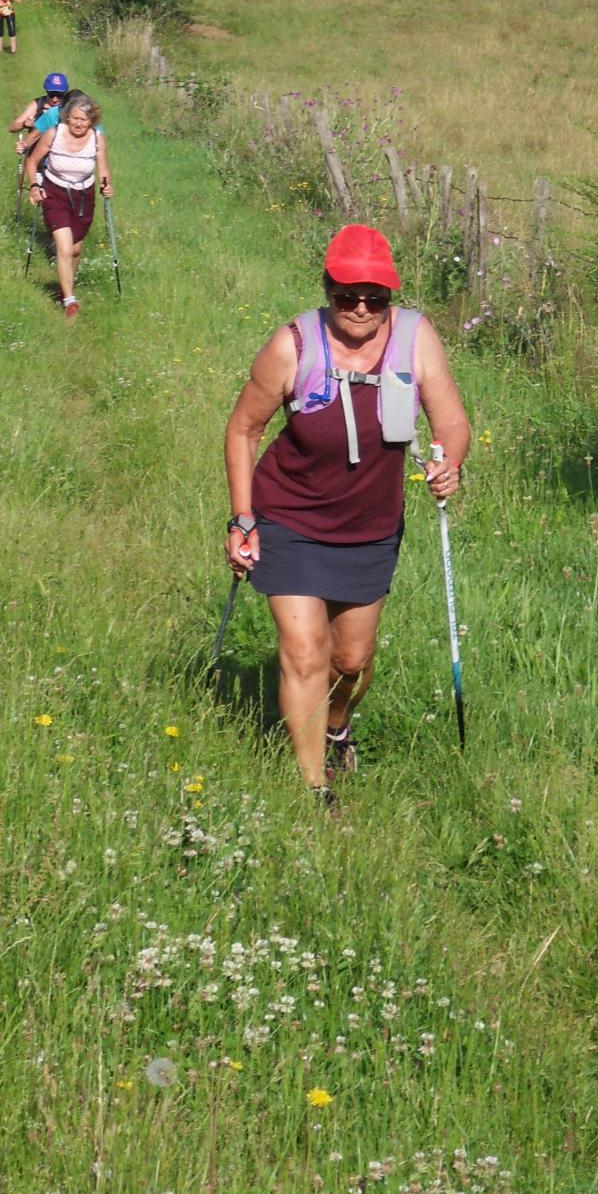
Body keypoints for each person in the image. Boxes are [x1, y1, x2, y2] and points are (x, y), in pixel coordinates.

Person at [222, 224, 470, 804]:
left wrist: (448, 461)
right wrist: (242, 517)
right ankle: (314, 790)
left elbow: (451, 422)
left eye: (376, 298)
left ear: (391, 297)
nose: (361, 309)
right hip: (289, 517)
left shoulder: (414, 338)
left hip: (369, 528)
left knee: (351, 662)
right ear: (327, 288)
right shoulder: (293, 346)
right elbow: (243, 429)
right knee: (305, 651)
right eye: (346, 296)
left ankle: (337, 723)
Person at [23, 92, 111, 320]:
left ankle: (65, 289)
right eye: (75, 118)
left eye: (84, 120)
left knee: (75, 250)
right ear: (66, 118)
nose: (79, 124)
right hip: (55, 192)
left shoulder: (97, 138)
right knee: (63, 248)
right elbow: (32, 161)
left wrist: (106, 186)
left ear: (92, 121)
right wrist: (34, 186)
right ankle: (70, 300)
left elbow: (103, 169)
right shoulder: (53, 133)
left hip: (84, 195)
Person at [8, 73, 70, 158]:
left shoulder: (69, 106)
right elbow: (12, 127)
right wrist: (24, 124)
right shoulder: (38, 104)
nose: (55, 99)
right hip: (36, 154)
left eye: (59, 95)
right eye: (51, 95)